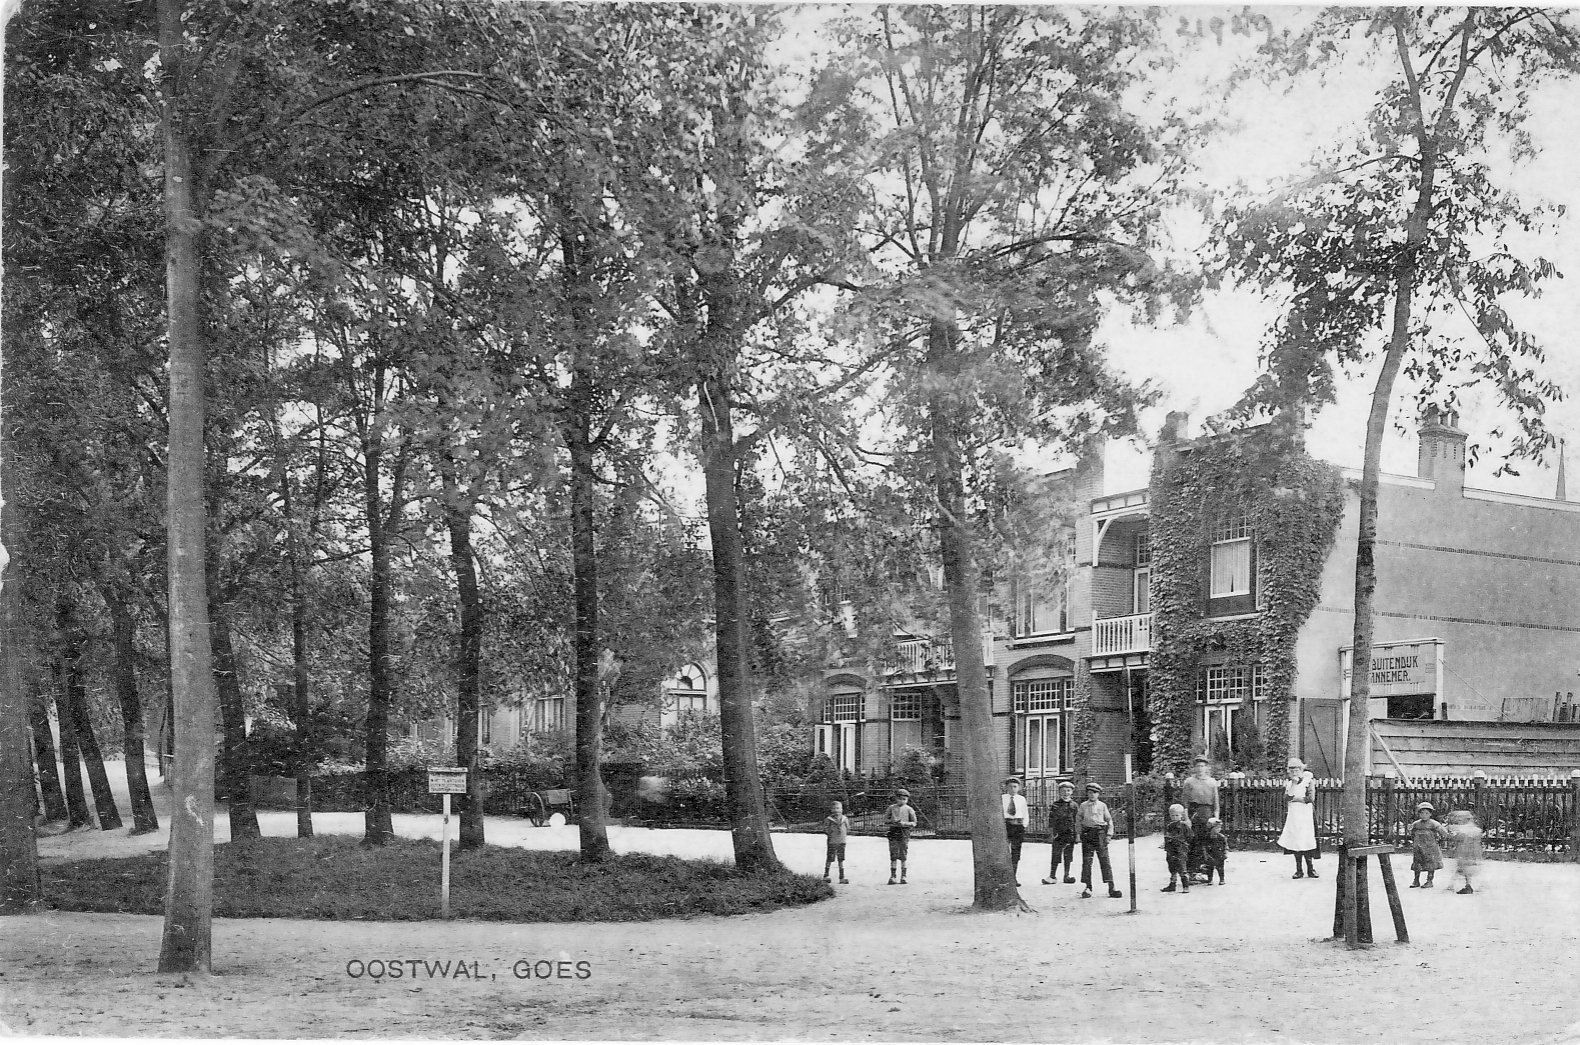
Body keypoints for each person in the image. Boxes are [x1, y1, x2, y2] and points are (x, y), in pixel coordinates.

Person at [1077, 782, 1125, 899]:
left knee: (1105, 861)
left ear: (1098, 794)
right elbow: (1078, 820)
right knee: (1087, 862)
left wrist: (1109, 835)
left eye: (1094, 793)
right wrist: (1078, 834)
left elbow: (1109, 821)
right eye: (1089, 792)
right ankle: (1088, 887)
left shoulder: (1102, 806)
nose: (1092, 795)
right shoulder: (1083, 806)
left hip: (1100, 834)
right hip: (1087, 834)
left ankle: (1111, 887)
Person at [1276, 757, 1321, 879]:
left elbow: (1310, 798)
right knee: (1296, 841)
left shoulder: (1308, 781)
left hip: (1305, 815)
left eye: (1296, 770)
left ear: (1301, 770)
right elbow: (1286, 798)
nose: (1294, 773)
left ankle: (1311, 869)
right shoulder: (1290, 784)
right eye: (1292, 771)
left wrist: (1296, 799)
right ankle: (1299, 870)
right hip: (1294, 815)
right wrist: (1293, 786)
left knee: (1305, 840)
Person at [1181, 755, 1220, 877]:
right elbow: (1185, 802)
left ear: (1207, 767)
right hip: (1193, 813)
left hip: (1207, 813)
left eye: (1202, 766)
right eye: (1197, 766)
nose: (1200, 768)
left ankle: (1207, 872)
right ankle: (1192, 872)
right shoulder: (1189, 782)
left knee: (1208, 842)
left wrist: (1216, 819)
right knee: (1193, 842)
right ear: (1194, 768)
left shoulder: (1212, 782)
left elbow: (1216, 803)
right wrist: (1187, 818)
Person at [1042, 779, 1079, 885]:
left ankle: (1066, 875)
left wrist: (1077, 835)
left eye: (1068, 791)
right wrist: (1051, 833)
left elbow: (1077, 820)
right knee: (1056, 854)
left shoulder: (1074, 805)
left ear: (1071, 792)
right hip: (1058, 834)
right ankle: (1052, 875)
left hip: (1070, 833)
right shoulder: (1056, 805)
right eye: (1063, 791)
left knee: (1068, 855)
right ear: (1059, 792)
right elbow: (1051, 820)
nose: (1066, 793)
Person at [1407, 802, 1448, 889]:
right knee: (1417, 863)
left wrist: (1442, 839)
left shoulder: (1434, 823)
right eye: (1421, 813)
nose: (1424, 815)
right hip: (1418, 847)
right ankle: (1416, 880)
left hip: (1430, 847)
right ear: (1418, 814)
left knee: (1431, 864)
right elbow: (1412, 833)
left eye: (1426, 813)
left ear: (1430, 814)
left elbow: (1442, 832)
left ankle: (1429, 881)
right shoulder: (1416, 824)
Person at [1445, 809, 1483, 895]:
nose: (1458, 821)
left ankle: (1467, 885)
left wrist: (1451, 835)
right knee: (1464, 869)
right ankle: (1454, 884)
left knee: (1464, 869)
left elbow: (1457, 837)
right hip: (1473, 852)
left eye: (1459, 819)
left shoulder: (1463, 830)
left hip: (1465, 852)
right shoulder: (1475, 829)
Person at [885, 788, 917, 885]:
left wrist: (905, 824)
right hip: (893, 831)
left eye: (904, 799)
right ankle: (893, 876)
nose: (902, 801)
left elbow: (914, 823)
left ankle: (903, 876)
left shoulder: (909, 809)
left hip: (904, 832)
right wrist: (892, 821)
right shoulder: (891, 808)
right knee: (893, 853)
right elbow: (886, 819)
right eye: (900, 798)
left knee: (903, 853)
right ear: (896, 798)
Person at [1002, 777, 1028, 882]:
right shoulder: (1002, 798)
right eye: (1010, 787)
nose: (1012, 789)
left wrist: (1024, 825)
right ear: (1006, 788)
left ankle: (1013, 877)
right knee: (1004, 851)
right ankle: (1004, 877)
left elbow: (1025, 813)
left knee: (1016, 851)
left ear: (1019, 788)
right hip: (1006, 825)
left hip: (1017, 826)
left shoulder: (1021, 799)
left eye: (1015, 787)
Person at [1161, 803, 1192, 893]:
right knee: (1172, 866)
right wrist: (1165, 843)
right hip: (1171, 849)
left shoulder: (1184, 825)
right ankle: (1172, 884)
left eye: (1177, 815)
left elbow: (1190, 836)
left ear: (1181, 815)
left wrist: (1184, 844)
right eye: (1172, 815)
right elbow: (1167, 836)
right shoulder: (1169, 826)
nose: (1174, 817)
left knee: (1182, 866)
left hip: (1180, 849)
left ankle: (1185, 886)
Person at [823, 801, 852, 884]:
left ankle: (841, 877)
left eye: (838, 808)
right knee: (830, 858)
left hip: (842, 841)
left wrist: (843, 833)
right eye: (834, 808)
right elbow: (825, 829)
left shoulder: (844, 819)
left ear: (842, 809)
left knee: (841, 859)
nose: (836, 810)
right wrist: (831, 832)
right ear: (831, 810)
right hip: (832, 841)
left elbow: (848, 828)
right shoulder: (829, 819)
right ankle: (826, 875)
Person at [1202, 816, 1229, 885]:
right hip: (1210, 854)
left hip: (1219, 854)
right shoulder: (1207, 837)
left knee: (1220, 868)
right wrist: (1205, 854)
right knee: (1210, 868)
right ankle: (1210, 880)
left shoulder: (1221, 837)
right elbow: (1204, 846)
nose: (1218, 829)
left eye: (1219, 828)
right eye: (1216, 828)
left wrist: (1225, 853)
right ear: (1211, 828)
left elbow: (1225, 845)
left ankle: (1222, 879)